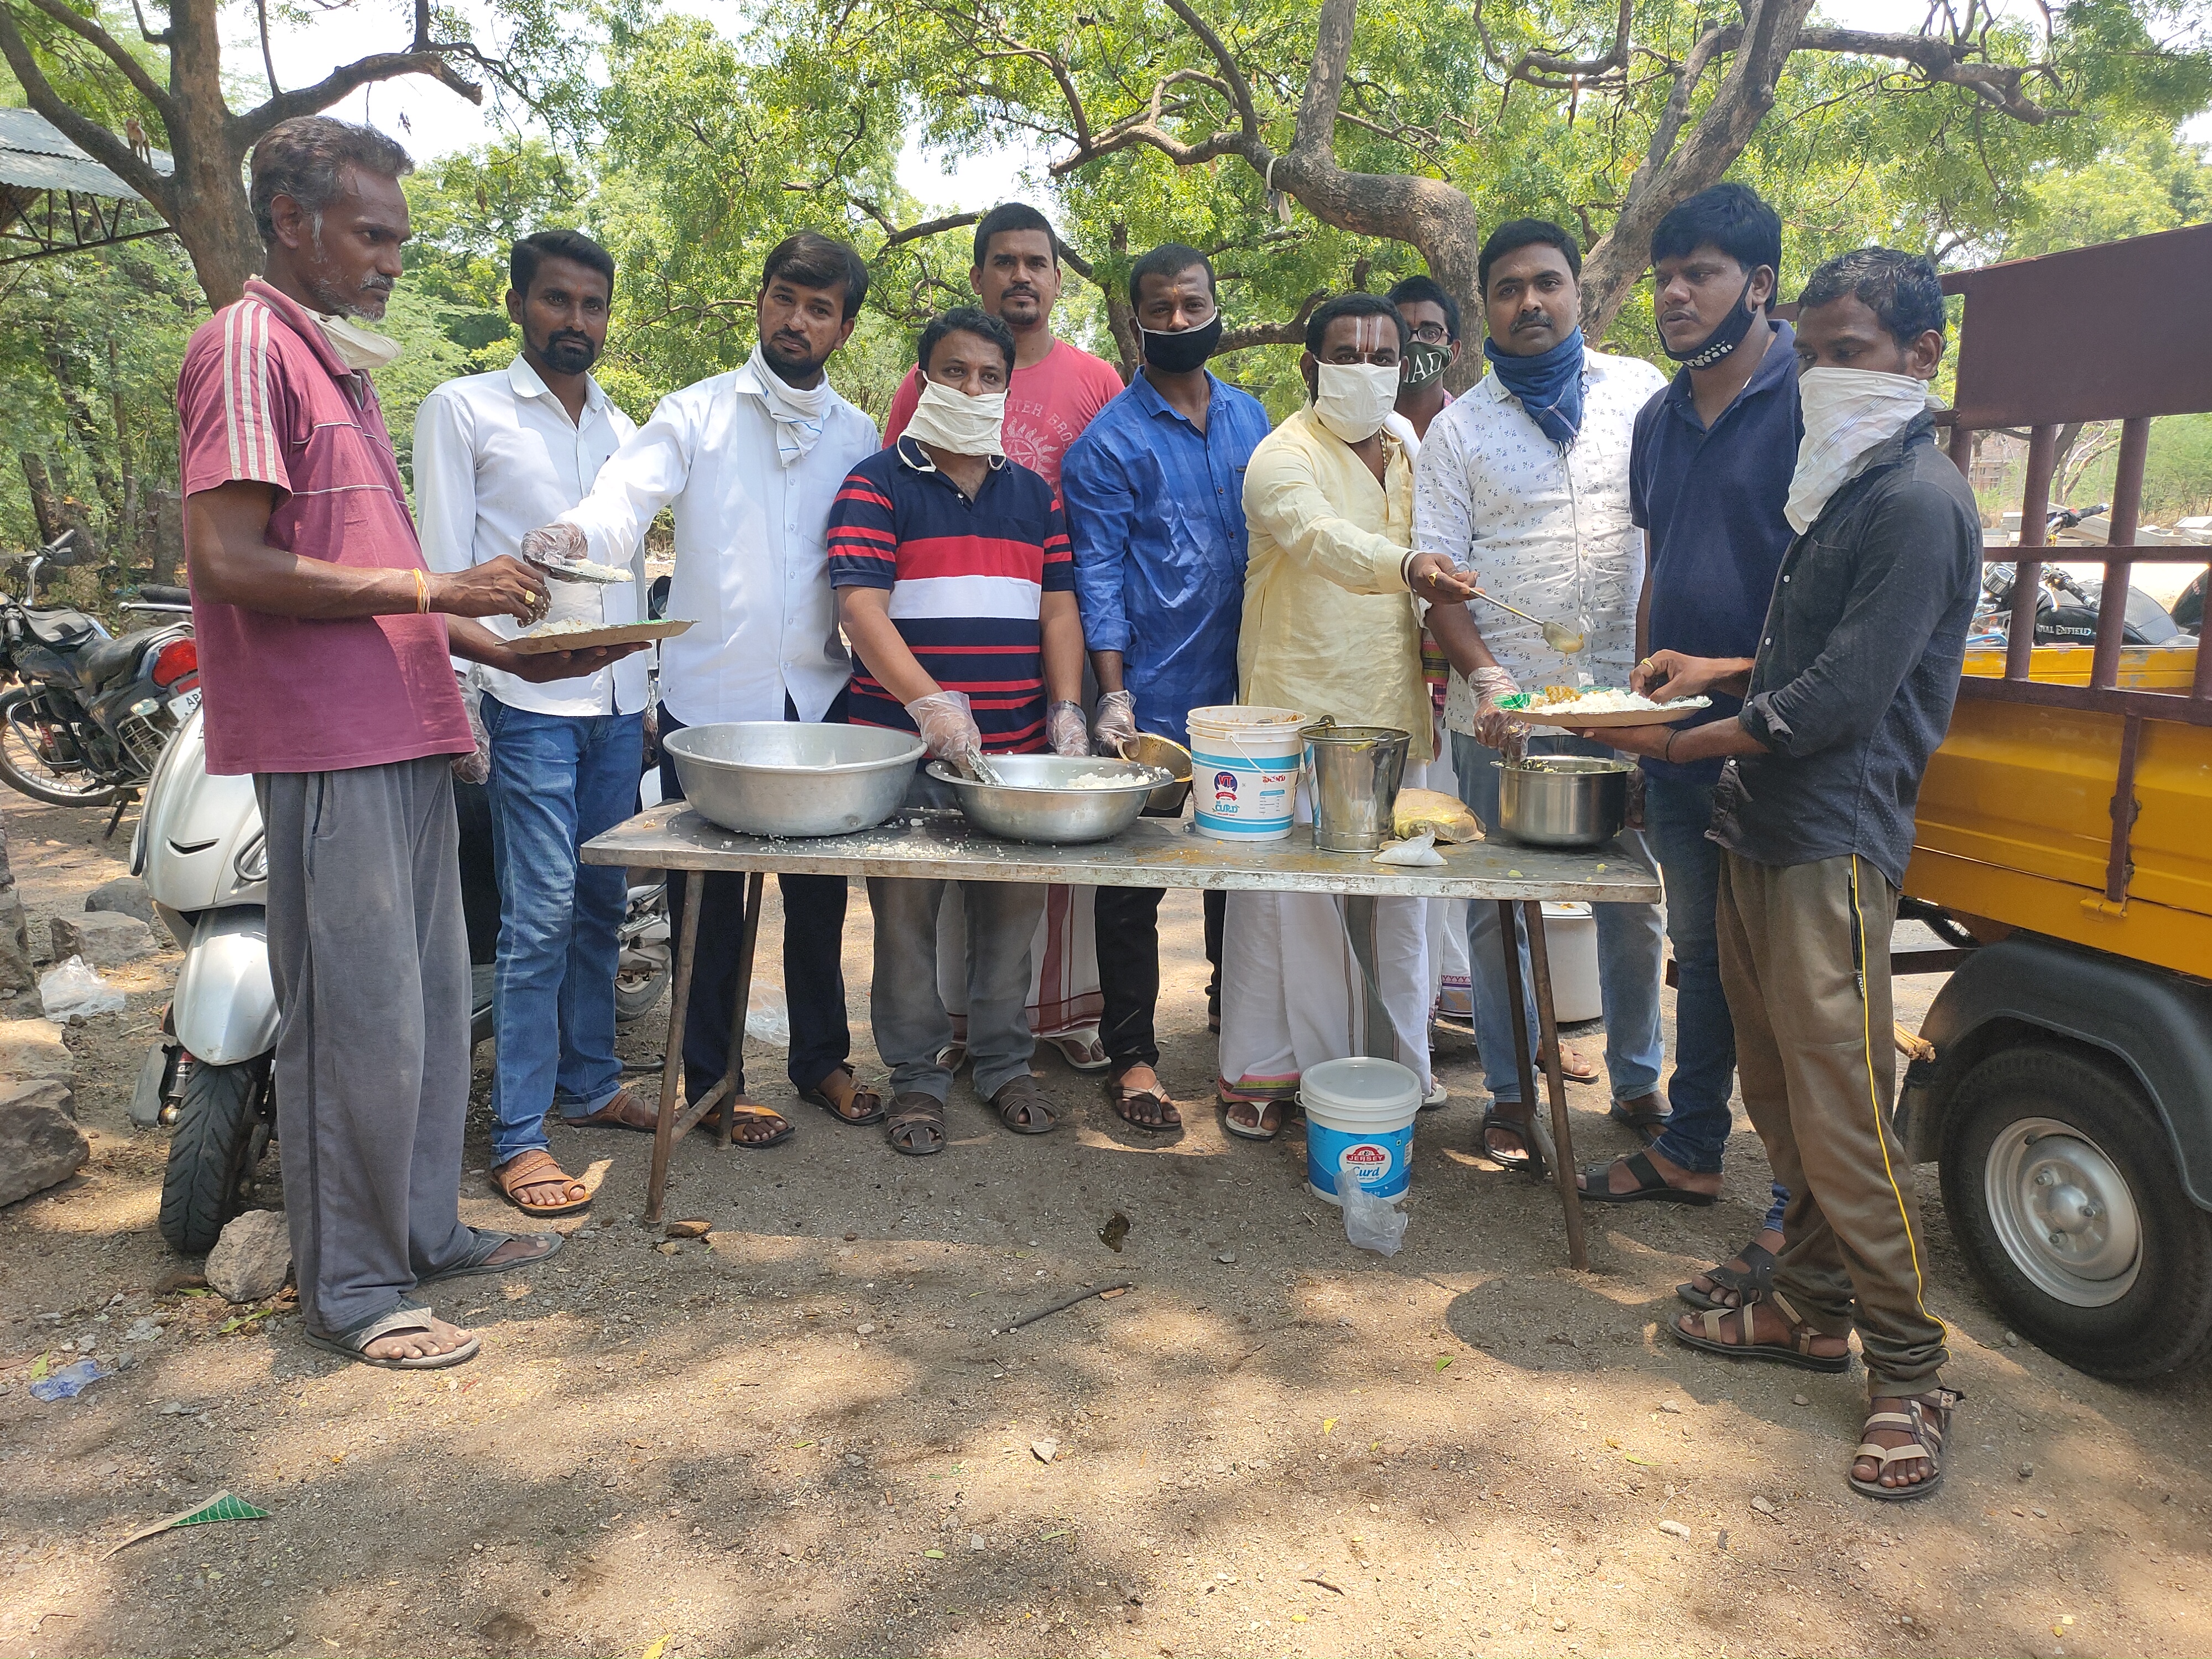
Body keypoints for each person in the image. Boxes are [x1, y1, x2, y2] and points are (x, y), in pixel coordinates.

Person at [178, 117, 630, 1368]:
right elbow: (225, 558)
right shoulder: (247, 345)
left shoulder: (341, 367)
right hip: (328, 745)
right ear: (291, 222)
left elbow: (376, 579)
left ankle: (425, 1230)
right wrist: (444, 597)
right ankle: (358, 1291)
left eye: (398, 238)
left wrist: (516, 650)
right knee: (359, 1026)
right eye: (372, 234)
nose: (389, 260)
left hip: (409, 728)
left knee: (431, 1013)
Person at [1591, 248, 1976, 1500]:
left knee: (1846, 1121)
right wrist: (1711, 671)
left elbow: (1841, 699)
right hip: (1759, 827)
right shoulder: (1844, 484)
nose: (1822, 371)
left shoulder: (1917, 499)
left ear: (1920, 357)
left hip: (1828, 841)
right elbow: (1794, 660)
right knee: (1780, 1101)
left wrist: (1675, 742)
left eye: (1850, 349)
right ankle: (1807, 1307)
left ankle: (1909, 1373)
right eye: (1810, 350)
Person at [529, 232, 886, 1146]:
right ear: (759, 302)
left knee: (818, 900)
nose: (795, 321)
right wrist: (578, 536)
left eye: (818, 310)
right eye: (783, 300)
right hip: (712, 704)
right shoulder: (692, 414)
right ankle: (713, 1080)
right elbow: (626, 494)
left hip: (818, 699)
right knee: (708, 906)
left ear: (843, 328)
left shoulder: (857, 434)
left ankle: (822, 1064)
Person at [1574, 186, 1801, 1285]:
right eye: (1663, 272)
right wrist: (1642, 702)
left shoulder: (1816, 401)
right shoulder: (1659, 419)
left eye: (1698, 271)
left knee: (1785, 976)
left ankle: (1798, 1208)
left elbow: (1844, 613)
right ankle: (1692, 1150)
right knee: (1702, 954)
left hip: (1785, 738)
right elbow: (1658, 562)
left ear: (1755, 285)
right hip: (1676, 736)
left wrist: (1732, 680)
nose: (1672, 292)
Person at [1411, 219, 1669, 1171]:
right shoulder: (1460, 429)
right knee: (1495, 901)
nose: (1531, 302)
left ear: (1579, 294)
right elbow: (1438, 581)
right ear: (1487, 308)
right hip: (1502, 712)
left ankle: (1640, 1082)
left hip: (1628, 700)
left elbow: (1670, 536)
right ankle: (1513, 1093)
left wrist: (1651, 671)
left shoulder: (1643, 395)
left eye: (1547, 283)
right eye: (1510, 288)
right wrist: (1488, 676)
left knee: (1631, 898)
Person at [415, 229, 640, 1219]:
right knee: (538, 915)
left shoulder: (625, 432)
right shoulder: (463, 409)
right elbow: (439, 573)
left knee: (602, 907)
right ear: (517, 304)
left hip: (617, 705)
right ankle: (517, 1135)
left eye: (592, 305)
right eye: (557, 301)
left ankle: (589, 1084)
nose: (575, 322)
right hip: (526, 703)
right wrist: (459, 705)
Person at [1215, 294, 1478, 1138]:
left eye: (1382, 356)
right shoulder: (1277, 458)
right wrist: (1408, 565)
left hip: (1395, 716)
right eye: (1345, 354)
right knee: (1288, 905)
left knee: (1405, 906)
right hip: (1295, 716)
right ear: (1308, 367)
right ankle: (1263, 1070)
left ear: (1407, 367)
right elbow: (1322, 541)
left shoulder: (1407, 446)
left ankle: (1400, 1067)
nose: (1366, 371)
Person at [829, 308, 1089, 1155]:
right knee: (905, 922)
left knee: (1010, 918)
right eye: (954, 372)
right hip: (901, 748)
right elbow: (862, 609)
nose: (972, 387)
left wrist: (1067, 707)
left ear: (1007, 389)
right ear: (923, 380)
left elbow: (1057, 605)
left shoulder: (1032, 494)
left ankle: (1007, 1065)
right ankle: (917, 1078)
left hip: (1014, 749)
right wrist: (929, 704)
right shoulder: (876, 483)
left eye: (989, 376)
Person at [885, 202, 1125, 1074]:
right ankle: (930, 1054)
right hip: (926, 683)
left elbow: (1088, 545)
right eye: (1004, 262)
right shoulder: (922, 394)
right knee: (923, 880)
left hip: (1046, 665)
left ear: (1059, 280)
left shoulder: (1096, 382)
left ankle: (1036, 1035)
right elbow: (889, 540)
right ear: (981, 276)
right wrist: (924, 698)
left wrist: (1078, 697)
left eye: (1038, 262)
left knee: (1033, 873)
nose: (1022, 275)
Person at [1060, 243, 1272, 1131]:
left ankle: (1240, 1032)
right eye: (1161, 308)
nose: (1179, 320)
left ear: (1217, 308)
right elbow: (1099, 576)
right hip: (1148, 695)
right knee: (1132, 888)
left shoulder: (1255, 418)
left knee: (1246, 872)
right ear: (1136, 320)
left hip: (1250, 690)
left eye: (1193, 305)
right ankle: (1135, 1057)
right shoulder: (1107, 442)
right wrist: (1112, 697)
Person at [1387, 273, 1474, 1032]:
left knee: (1466, 840)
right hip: (1390, 675)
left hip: (1463, 668)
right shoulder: (1362, 429)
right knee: (1409, 843)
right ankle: (1410, 1018)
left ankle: (1472, 1013)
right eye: (1405, 328)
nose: (1420, 342)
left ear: (1452, 342)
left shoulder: (1471, 427)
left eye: (1433, 330)